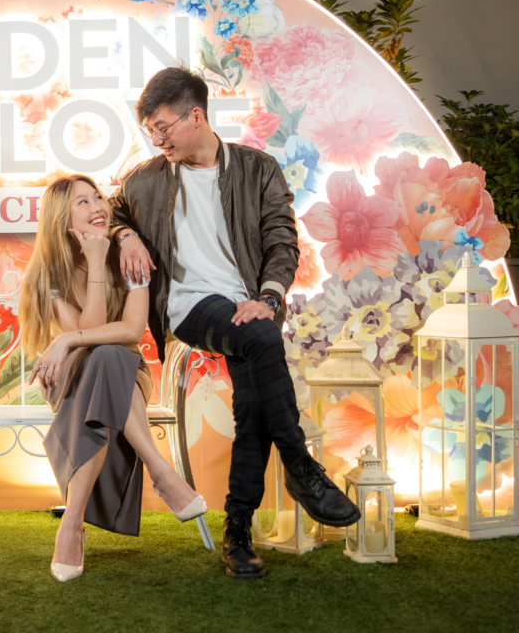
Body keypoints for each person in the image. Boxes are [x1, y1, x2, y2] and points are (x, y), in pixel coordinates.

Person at [109, 66, 360, 580]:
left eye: (163, 127)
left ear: (195, 116)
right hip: (189, 306)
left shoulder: (257, 169)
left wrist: (267, 297)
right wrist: (123, 236)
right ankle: (302, 467)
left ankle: (238, 535)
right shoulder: (146, 180)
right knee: (262, 339)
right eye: (149, 130)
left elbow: (281, 241)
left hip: (249, 305)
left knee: (254, 404)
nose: (156, 139)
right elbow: (111, 211)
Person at [20, 175, 207, 583]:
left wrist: (67, 337)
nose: (98, 207)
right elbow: (93, 332)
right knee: (101, 356)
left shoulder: (133, 257)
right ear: (62, 219)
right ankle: (160, 470)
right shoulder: (50, 272)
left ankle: (71, 523)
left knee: (110, 356)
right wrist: (97, 261)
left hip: (126, 371)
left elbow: (130, 331)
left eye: (98, 197)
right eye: (82, 203)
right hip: (71, 379)